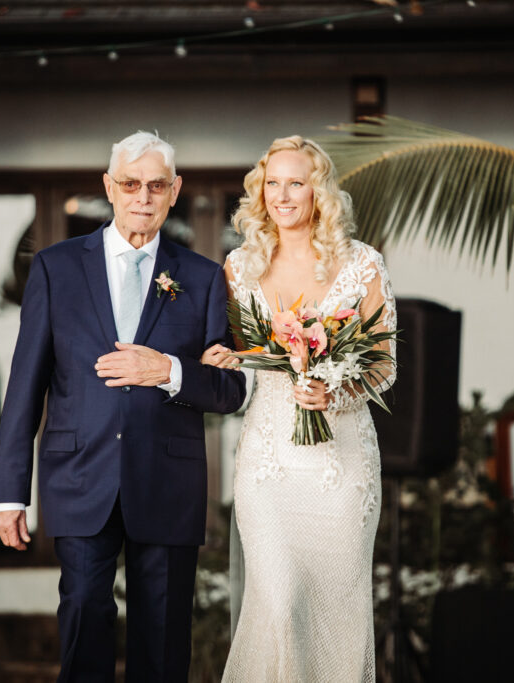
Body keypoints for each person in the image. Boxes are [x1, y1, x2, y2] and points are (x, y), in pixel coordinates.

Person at [0, 131, 247, 683]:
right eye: (130, 184)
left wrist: (169, 372)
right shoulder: (56, 268)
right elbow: (26, 383)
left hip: (168, 481)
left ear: (175, 191)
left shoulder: (203, 277)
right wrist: (9, 491)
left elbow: (231, 390)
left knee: (162, 639)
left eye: (156, 185)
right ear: (109, 187)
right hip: (80, 473)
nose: (143, 197)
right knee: (83, 614)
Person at [203, 136, 397, 681]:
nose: (283, 195)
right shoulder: (239, 267)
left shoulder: (363, 263)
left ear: (319, 192)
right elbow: (250, 356)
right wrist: (227, 358)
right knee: (280, 603)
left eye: (297, 182)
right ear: (259, 192)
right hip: (269, 463)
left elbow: (384, 364)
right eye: (273, 183)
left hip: (342, 465)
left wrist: (333, 392)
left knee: (337, 609)